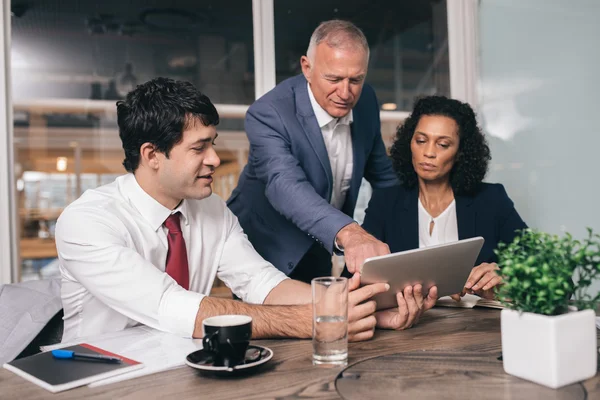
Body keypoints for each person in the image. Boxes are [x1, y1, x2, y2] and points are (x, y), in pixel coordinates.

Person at [54, 77, 423, 343]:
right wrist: (311, 321)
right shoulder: (87, 222)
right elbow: (172, 306)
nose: (216, 159)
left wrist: (367, 312)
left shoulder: (212, 209)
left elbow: (263, 284)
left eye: (213, 144)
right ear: (152, 155)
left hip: (184, 366)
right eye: (199, 148)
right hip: (99, 379)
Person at [227, 20, 399, 284]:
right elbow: (285, 186)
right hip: (263, 248)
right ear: (307, 67)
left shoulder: (366, 102)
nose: (345, 92)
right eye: (333, 78)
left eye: (356, 79)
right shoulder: (269, 113)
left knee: (323, 320)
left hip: (318, 243)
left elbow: (384, 178)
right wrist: (350, 233)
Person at [360, 95, 528, 300]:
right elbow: (356, 278)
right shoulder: (385, 202)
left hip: (477, 326)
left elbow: (547, 271)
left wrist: (507, 276)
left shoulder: (491, 200)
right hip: (407, 326)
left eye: (443, 144)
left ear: (460, 153)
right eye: (421, 141)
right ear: (409, 142)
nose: (428, 152)